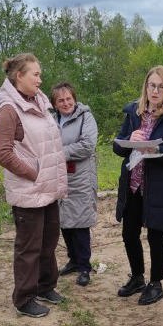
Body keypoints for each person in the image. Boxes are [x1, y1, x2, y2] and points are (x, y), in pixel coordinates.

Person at [0, 53, 68, 318]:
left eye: (40, 74)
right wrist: (34, 173)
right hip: (29, 191)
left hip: (48, 189)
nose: (40, 79)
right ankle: (24, 298)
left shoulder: (39, 103)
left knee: (49, 241)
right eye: (35, 74)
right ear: (19, 76)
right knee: (29, 248)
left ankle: (45, 286)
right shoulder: (8, 110)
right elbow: (3, 153)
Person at [112, 66, 163, 306]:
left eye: (160, 86)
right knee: (129, 233)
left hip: (157, 187)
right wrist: (130, 142)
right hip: (133, 184)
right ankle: (137, 277)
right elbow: (117, 147)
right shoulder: (134, 114)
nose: (155, 91)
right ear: (145, 87)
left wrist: (158, 150)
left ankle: (156, 283)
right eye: (151, 85)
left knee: (155, 234)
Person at [50, 82, 99, 288]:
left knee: (80, 223)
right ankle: (73, 259)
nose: (66, 103)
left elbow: (87, 145)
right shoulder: (51, 119)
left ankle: (84, 266)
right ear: (54, 103)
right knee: (64, 221)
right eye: (61, 100)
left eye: (69, 98)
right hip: (59, 177)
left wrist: (59, 152)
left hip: (80, 177)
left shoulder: (85, 117)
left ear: (74, 98)